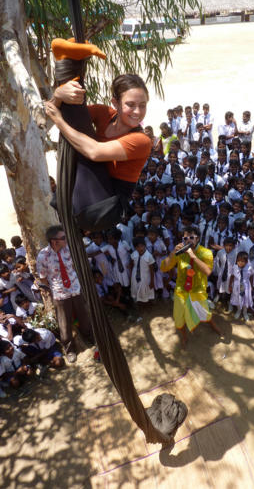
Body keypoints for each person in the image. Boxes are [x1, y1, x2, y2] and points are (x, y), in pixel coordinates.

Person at [45, 74, 152, 210]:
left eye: (142, 105)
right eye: (130, 105)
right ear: (115, 103)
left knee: (84, 145)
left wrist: (59, 121)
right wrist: (59, 95)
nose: (137, 111)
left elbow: (94, 152)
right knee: (75, 120)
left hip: (106, 206)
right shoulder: (104, 113)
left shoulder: (141, 141)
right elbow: (65, 113)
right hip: (87, 190)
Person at [36, 225, 93, 363]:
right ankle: (70, 350)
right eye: (63, 238)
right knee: (64, 323)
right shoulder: (43, 256)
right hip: (60, 295)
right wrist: (56, 288)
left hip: (75, 289)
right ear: (54, 241)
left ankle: (90, 337)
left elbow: (74, 266)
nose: (66, 239)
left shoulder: (69, 249)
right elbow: (42, 277)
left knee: (83, 315)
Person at [161, 225, 221, 347]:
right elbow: (164, 267)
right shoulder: (179, 252)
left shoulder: (206, 252)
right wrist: (173, 253)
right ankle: (184, 337)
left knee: (204, 313)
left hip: (198, 291)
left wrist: (193, 256)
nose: (188, 240)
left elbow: (208, 272)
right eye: (185, 238)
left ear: (197, 238)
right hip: (181, 291)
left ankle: (214, 326)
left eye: (191, 237)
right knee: (179, 318)